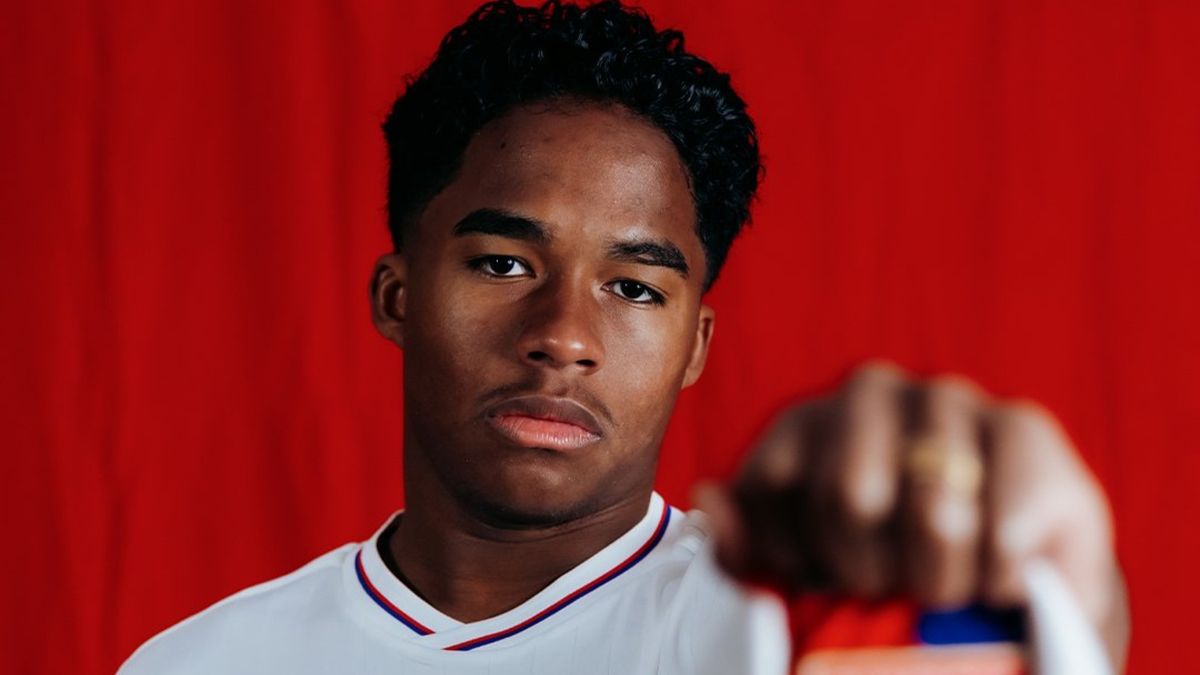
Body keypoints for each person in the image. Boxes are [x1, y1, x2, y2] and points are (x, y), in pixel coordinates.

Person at [120, 1, 1129, 673]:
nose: (564, 336)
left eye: (636, 288)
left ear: (695, 345)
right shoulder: (200, 663)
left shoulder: (778, 625)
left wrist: (1039, 576)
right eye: (503, 264)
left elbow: (1011, 632)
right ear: (397, 296)